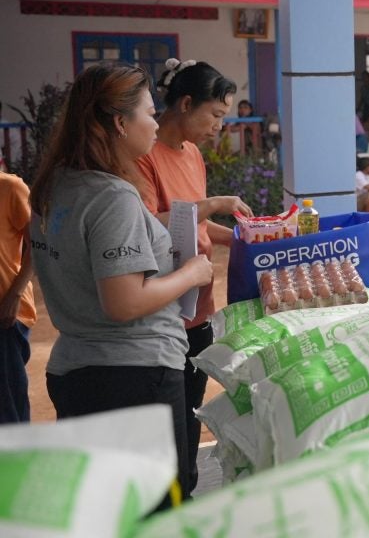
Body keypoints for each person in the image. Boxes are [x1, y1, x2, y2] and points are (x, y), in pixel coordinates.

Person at [29, 62, 214, 502]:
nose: (155, 122)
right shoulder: (111, 197)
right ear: (119, 122)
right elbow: (124, 301)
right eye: (149, 113)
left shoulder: (56, 185)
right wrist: (192, 272)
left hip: (76, 368)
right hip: (133, 377)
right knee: (154, 509)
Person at [136, 58, 253, 495]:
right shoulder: (144, 156)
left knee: (187, 419)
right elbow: (146, 224)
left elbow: (196, 228)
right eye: (216, 115)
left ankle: (182, 496)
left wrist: (246, 237)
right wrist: (213, 204)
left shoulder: (192, 155)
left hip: (198, 309)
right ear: (185, 103)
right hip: (162, 314)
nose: (219, 126)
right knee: (166, 434)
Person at [0, 166, 33, 424]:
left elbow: (38, 242)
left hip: (5, 313)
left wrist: (15, 295)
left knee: (8, 405)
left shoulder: (10, 188)